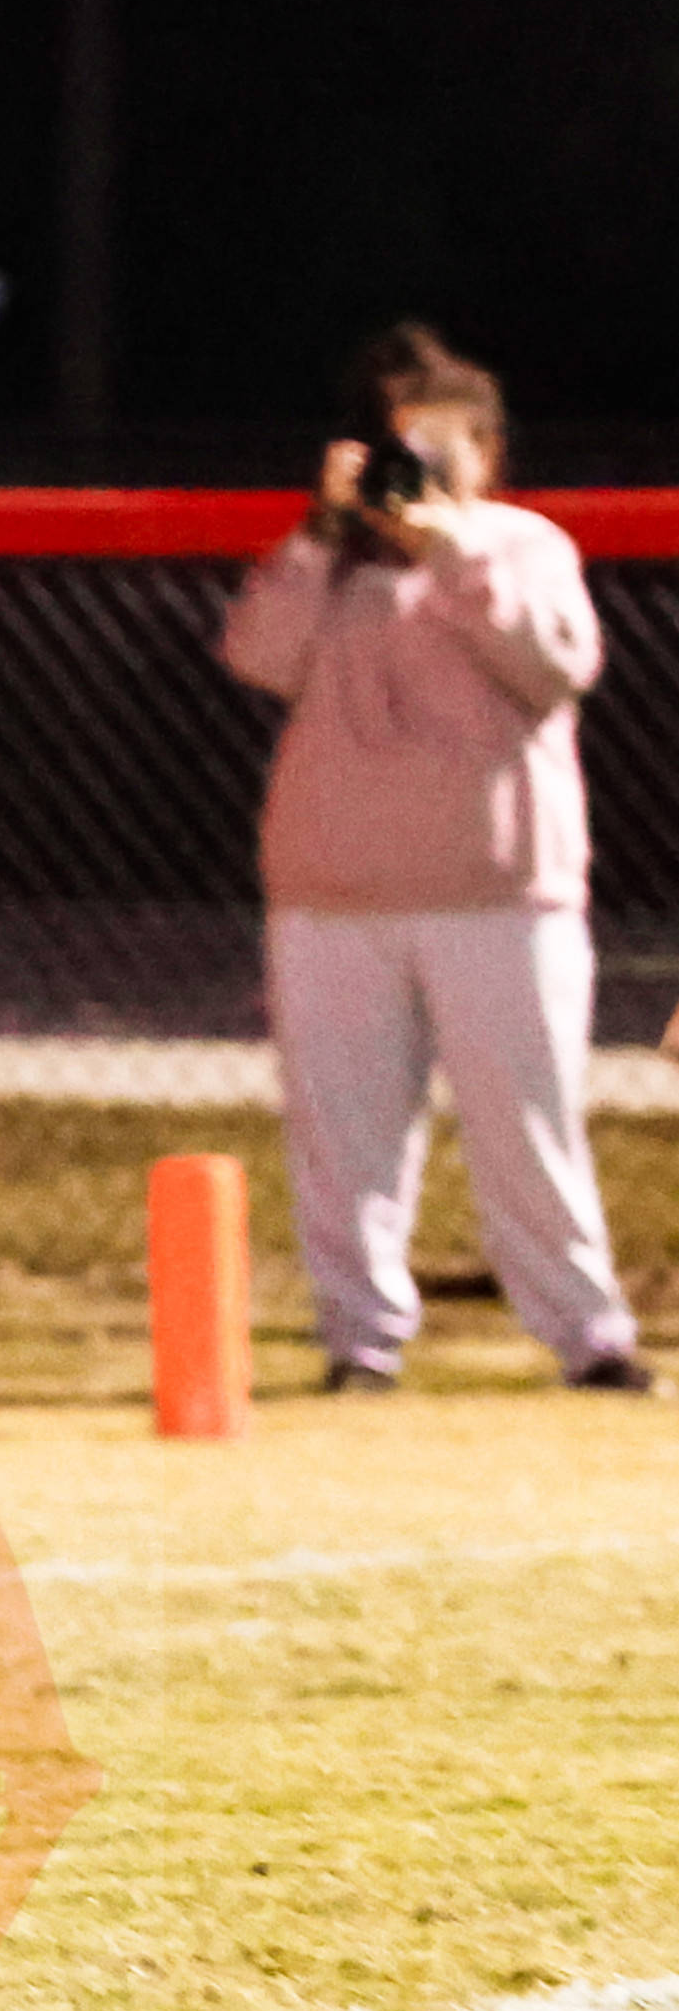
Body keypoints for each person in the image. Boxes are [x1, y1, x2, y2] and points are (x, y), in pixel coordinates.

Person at [217, 326, 646, 1395]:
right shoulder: (329, 561)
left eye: (439, 446)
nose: (414, 468)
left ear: (487, 451)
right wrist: (322, 529)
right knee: (343, 1141)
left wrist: (448, 545)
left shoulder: (523, 546)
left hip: (498, 893)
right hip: (332, 894)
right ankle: (359, 1343)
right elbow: (257, 656)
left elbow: (553, 668)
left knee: (528, 1133)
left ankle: (588, 1338)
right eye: (396, 444)